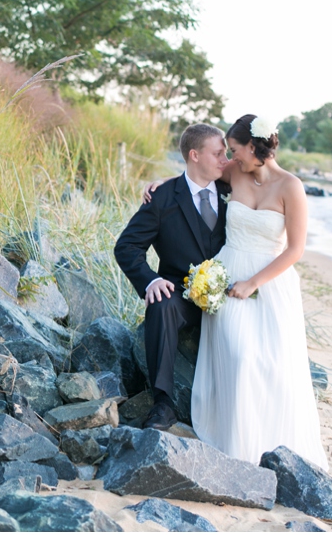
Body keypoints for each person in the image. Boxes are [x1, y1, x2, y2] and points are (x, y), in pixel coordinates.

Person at [143, 114, 329, 470]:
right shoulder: (235, 173)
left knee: (271, 363)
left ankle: (272, 446)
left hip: (269, 282)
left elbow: (295, 250)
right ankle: (237, 444)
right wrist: (161, 184)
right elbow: (195, 178)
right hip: (226, 277)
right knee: (241, 355)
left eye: (235, 149)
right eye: (227, 151)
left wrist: (253, 283)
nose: (230, 157)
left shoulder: (291, 187)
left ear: (255, 147)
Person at [114, 123, 231, 431]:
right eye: (218, 153)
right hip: (181, 296)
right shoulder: (162, 199)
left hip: (232, 294)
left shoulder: (232, 191)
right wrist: (150, 280)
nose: (225, 159)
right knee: (160, 304)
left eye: (226, 153)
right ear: (195, 155)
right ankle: (164, 404)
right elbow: (126, 247)